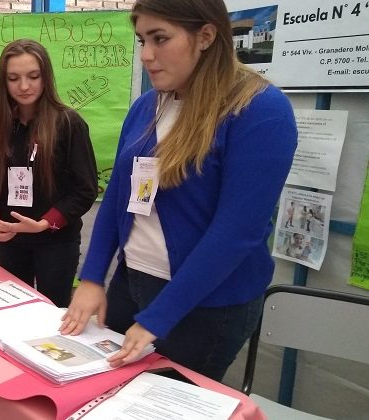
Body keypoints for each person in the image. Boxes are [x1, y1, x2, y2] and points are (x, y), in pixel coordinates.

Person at [60, 0, 297, 381]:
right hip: (131, 283)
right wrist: (91, 278)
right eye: (141, 40)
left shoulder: (259, 110)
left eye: (160, 39)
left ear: (205, 36)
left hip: (204, 303)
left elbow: (237, 233)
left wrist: (159, 317)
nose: (146, 55)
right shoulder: (146, 106)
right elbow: (120, 198)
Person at [0, 39, 98, 308]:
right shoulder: (1, 126)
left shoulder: (69, 123)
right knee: (11, 311)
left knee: (51, 315)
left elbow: (85, 189)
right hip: (11, 241)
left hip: (55, 243)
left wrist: (44, 223)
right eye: (13, 78)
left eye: (33, 76)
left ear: (45, 78)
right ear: (4, 82)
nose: (24, 86)